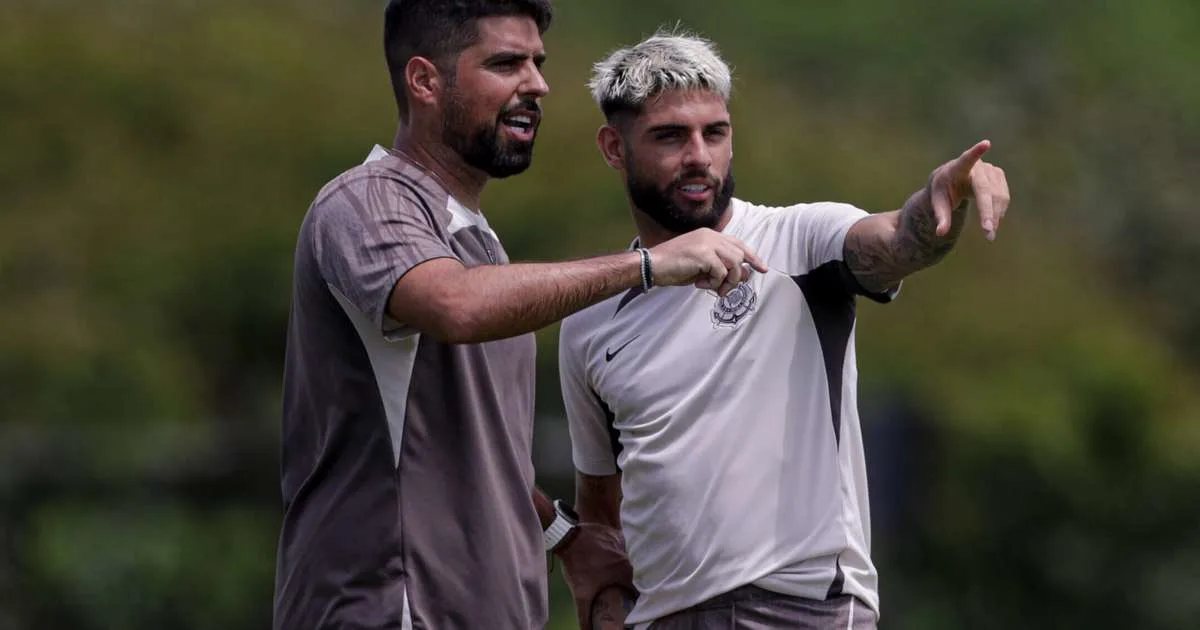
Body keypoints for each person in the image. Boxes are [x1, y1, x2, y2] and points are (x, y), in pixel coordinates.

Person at [272, 3, 769, 629]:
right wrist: (648, 265)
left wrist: (563, 536)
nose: (536, 85)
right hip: (391, 608)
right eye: (506, 63)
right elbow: (455, 304)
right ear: (424, 81)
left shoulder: (478, 240)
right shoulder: (367, 200)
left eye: (538, 64)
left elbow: (471, 449)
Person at [558, 31, 1011, 629]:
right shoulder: (589, 320)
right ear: (614, 148)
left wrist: (937, 204)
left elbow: (899, 241)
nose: (699, 155)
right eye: (670, 136)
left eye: (714, 133)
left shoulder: (799, 241)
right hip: (662, 619)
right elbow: (601, 507)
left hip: (800, 608)